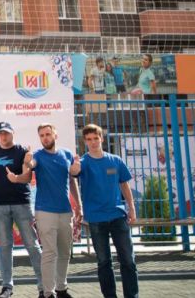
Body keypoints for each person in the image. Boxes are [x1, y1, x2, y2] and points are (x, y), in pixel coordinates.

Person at [14, 124, 81, 298]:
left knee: (64, 253)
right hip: (45, 212)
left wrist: (79, 205)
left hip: (65, 211)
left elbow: (72, 179)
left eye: (48, 134)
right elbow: (30, 166)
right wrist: (27, 162)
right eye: (42, 135)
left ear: (55, 135)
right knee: (50, 253)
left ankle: (61, 289)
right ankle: (48, 292)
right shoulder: (37, 155)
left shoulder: (67, 154)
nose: (45, 138)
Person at [76, 124, 139, 298]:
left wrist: (132, 208)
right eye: (89, 139)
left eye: (96, 138)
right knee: (104, 262)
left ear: (102, 139)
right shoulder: (83, 163)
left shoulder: (115, 160)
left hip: (118, 216)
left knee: (128, 260)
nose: (93, 142)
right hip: (96, 219)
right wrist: (73, 166)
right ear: (85, 142)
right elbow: (74, 172)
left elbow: (124, 185)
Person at [0, 122, 43, 298]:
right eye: (1, 133)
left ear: (13, 133)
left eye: (6, 133)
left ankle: (44, 286)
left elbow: (27, 177)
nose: (4, 136)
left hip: (21, 204)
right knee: (4, 246)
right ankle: (7, 287)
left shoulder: (22, 151)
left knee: (32, 244)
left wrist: (16, 177)